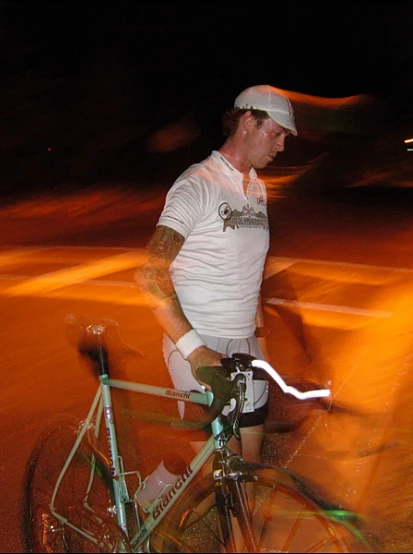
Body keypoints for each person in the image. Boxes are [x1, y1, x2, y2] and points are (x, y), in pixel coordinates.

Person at [135, 84, 297, 463]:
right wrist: (193, 350)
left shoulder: (257, 188)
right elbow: (150, 274)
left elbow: (249, 272)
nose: (282, 146)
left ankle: (171, 486)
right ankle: (156, 500)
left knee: (250, 468)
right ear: (247, 122)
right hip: (197, 340)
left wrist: (261, 342)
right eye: (276, 134)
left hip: (245, 345)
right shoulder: (198, 184)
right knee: (222, 472)